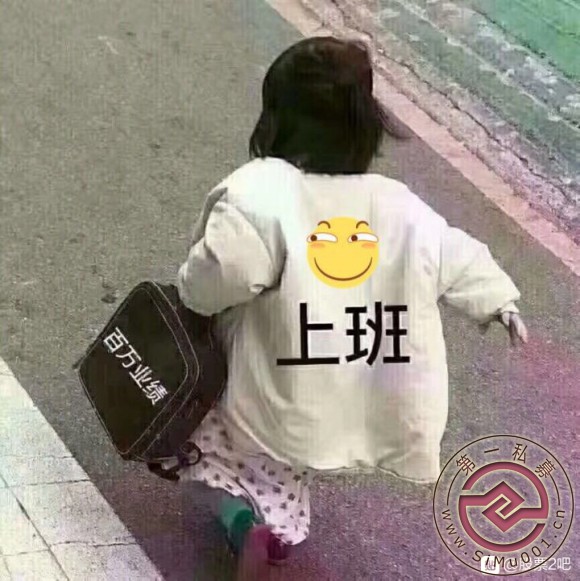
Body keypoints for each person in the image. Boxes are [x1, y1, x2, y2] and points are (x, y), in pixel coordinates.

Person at [171, 36, 528, 579]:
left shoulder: (266, 193)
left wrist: (190, 297)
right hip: (336, 384)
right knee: (287, 462)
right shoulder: (395, 204)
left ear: (275, 120)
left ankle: (249, 526)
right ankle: (275, 529)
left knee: (214, 458)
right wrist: (499, 300)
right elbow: (452, 251)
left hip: (267, 382)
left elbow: (225, 271)